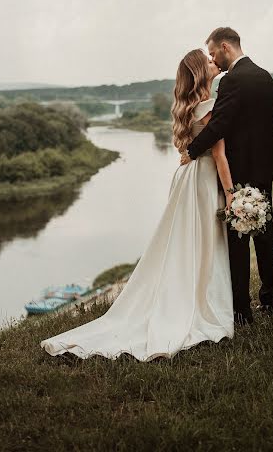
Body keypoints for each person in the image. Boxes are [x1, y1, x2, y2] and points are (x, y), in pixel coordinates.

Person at [40, 49, 235, 361]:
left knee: (184, 244)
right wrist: (232, 193)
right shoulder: (209, 107)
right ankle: (202, 301)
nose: (215, 64)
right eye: (209, 62)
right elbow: (219, 154)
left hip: (185, 178)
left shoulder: (187, 107)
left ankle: (186, 294)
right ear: (201, 73)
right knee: (203, 243)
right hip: (202, 181)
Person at [183, 27, 273, 325]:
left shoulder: (232, 81)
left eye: (213, 53)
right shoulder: (265, 76)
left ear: (225, 47)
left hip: (239, 170)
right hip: (265, 167)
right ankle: (270, 299)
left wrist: (191, 150)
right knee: (266, 234)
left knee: (237, 240)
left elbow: (220, 126)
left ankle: (241, 309)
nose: (213, 58)